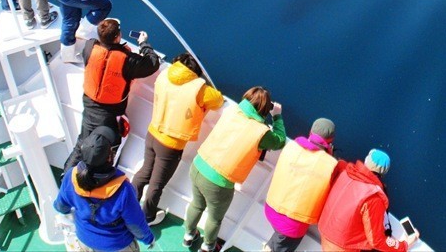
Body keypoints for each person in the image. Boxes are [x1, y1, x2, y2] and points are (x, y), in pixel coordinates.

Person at [183, 86, 287, 252]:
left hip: (198, 165)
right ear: (265, 109)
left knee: (196, 204)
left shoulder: (232, 111)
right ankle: (208, 246)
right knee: (214, 218)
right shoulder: (262, 133)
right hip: (218, 182)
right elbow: (280, 141)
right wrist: (277, 116)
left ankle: (188, 235)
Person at [131, 52, 224, 226]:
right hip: (170, 145)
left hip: (152, 133)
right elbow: (218, 101)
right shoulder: (200, 90)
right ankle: (147, 217)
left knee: (144, 172)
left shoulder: (166, 74)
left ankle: (129, 205)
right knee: (156, 184)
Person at [63, 18, 160, 172]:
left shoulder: (89, 47)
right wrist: (143, 44)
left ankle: (66, 176)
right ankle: (99, 178)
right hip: (110, 114)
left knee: (81, 145)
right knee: (107, 149)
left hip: (89, 106)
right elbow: (152, 63)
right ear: (117, 37)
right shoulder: (128, 60)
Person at [54, 126, 156, 252]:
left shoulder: (71, 176)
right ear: (109, 158)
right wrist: (148, 239)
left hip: (84, 240)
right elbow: (135, 223)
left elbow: (60, 206)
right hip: (117, 245)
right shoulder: (123, 190)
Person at [263, 118, 345, 252]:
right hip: (293, 224)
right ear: (331, 140)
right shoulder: (331, 165)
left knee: (279, 240)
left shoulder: (292, 146)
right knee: (279, 246)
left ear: (310, 132)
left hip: (271, 208)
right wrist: (329, 155)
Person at [318, 149, 420, 252]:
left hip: (324, 235)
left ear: (366, 161)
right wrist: (405, 245)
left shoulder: (345, 173)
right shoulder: (373, 197)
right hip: (342, 247)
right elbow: (377, 241)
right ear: (384, 172)